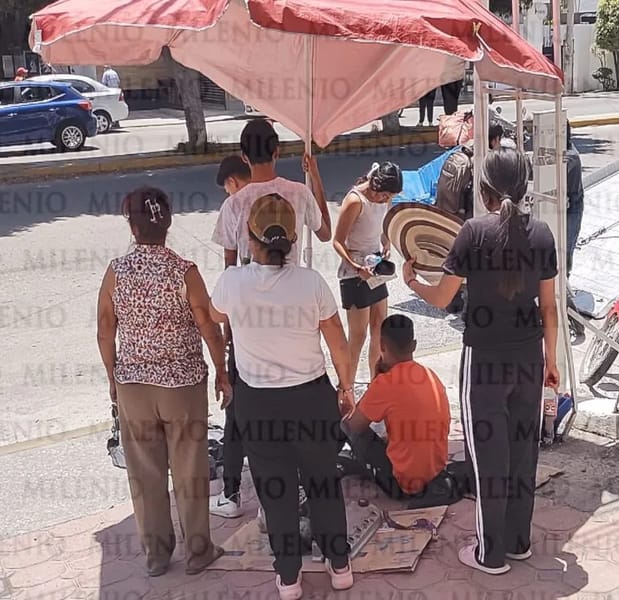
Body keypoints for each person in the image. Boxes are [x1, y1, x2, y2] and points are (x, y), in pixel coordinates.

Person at [401, 148, 560, 575]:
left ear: (484, 190)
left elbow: (442, 297)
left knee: (488, 457)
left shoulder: (473, 233)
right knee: (523, 452)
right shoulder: (542, 234)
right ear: (524, 189)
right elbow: (549, 307)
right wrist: (552, 360)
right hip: (530, 359)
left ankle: (490, 554)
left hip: (485, 362)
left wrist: (411, 280)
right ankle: (519, 543)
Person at [209, 194, 356, 599]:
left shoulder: (232, 282)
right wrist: (346, 388)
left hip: (258, 405)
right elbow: (339, 344)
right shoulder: (311, 282)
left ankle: (289, 578)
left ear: (250, 238)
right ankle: (340, 566)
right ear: (292, 238)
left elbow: (215, 315)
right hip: (312, 399)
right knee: (323, 481)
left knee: (276, 490)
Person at [96, 186, 231, 577]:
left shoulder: (116, 272)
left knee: (145, 474)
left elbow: (105, 331)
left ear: (132, 227)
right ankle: (199, 551)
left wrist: (113, 378)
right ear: (168, 223)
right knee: (190, 470)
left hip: (133, 386)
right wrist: (222, 372)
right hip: (183, 387)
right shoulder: (184, 271)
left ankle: (156, 556)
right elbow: (209, 328)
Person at [340, 314, 450, 499]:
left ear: (382, 346)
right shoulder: (430, 375)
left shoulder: (386, 383)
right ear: (414, 345)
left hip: (401, 486)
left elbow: (354, 425)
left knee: (345, 424)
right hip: (435, 474)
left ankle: (326, 464)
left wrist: (373, 382)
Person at [212, 118, 331, 268]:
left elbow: (230, 267)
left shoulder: (232, 204)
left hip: (251, 283)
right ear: (276, 152)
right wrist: (315, 176)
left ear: (244, 157)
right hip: (291, 280)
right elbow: (326, 234)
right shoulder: (300, 193)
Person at [208, 155, 252, 518]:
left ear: (233, 182)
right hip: (283, 327)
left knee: (236, 414)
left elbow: (228, 266)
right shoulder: (289, 194)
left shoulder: (233, 205)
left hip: (243, 326)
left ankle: (232, 494)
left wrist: (226, 332)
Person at [333, 162, 402, 381]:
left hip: (375, 266)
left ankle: (376, 382)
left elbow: (382, 225)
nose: (385, 200)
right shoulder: (355, 201)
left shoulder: (385, 199)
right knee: (358, 335)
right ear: (376, 186)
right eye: (385, 195)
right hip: (354, 272)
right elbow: (337, 241)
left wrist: (386, 242)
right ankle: (347, 385)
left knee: (379, 330)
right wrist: (356, 267)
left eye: (389, 197)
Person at [436, 123, 505, 221]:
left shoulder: (467, 149)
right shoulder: (485, 159)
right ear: (495, 140)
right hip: (465, 217)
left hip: (445, 212)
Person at [565, 121, 584, 276]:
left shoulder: (570, 157)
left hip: (572, 208)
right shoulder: (566, 152)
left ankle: (565, 277)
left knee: (566, 247)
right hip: (567, 205)